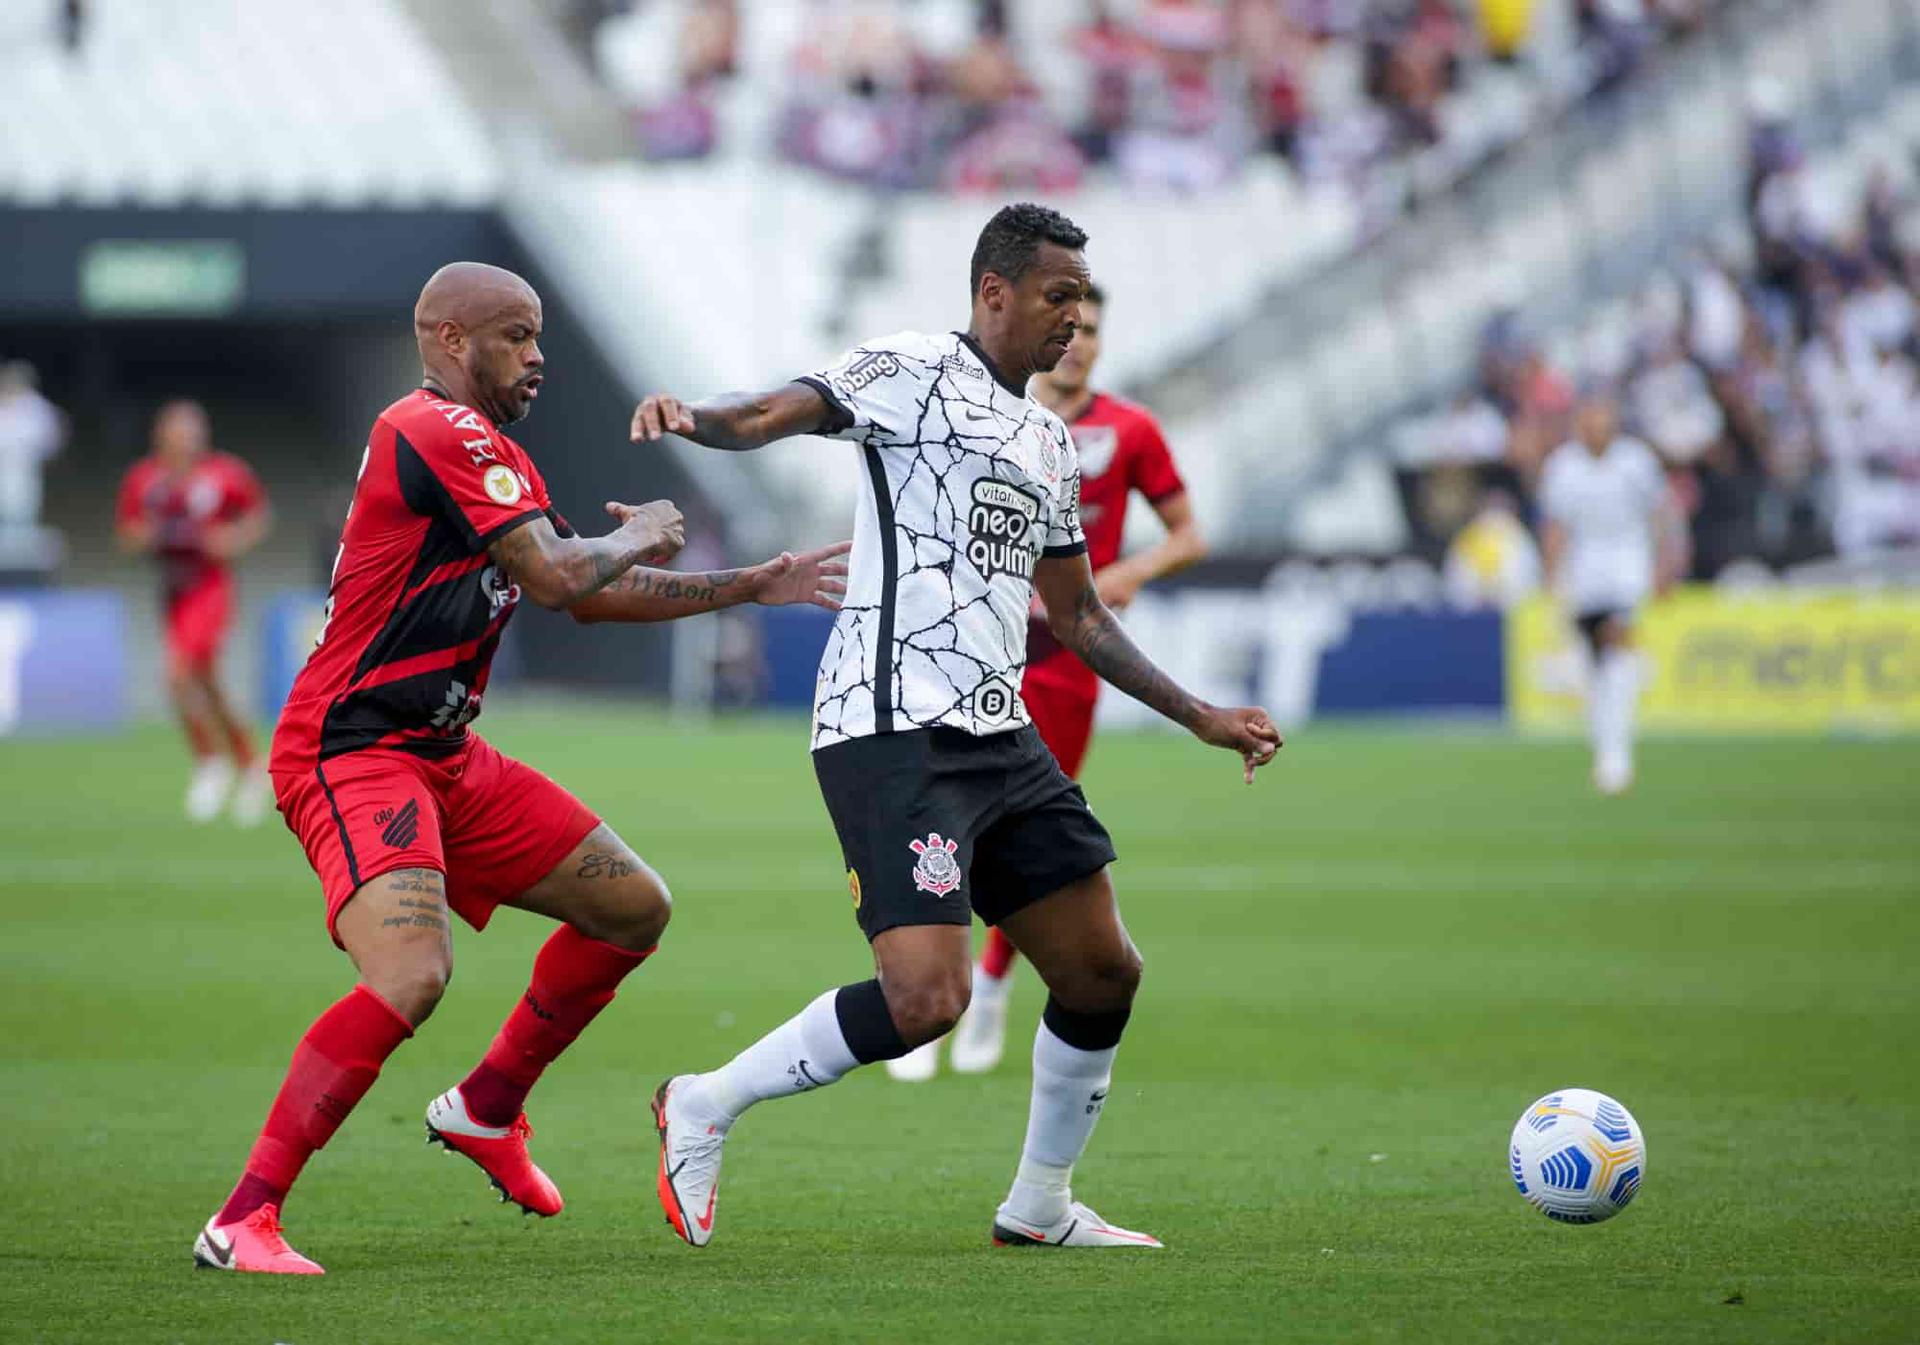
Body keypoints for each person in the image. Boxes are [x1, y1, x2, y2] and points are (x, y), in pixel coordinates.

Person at [630, 203, 1280, 1250]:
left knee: (1102, 968)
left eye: (1082, 301)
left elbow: (1079, 617)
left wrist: (1200, 715)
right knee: (925, 998)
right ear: (994, 292)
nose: (1073, 319)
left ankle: (1040, 1205)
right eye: (1056, 295)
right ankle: (702, 1101)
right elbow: (774, 412)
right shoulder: (911, 369)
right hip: (891, 725)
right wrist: (694, 418)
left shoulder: (1049, 443)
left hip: (998, 733)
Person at [192, 262, 848, 1276]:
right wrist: (639, 530)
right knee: (413, 970)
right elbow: (557, 575)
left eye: (539, 335)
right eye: (515, 336)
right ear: (451, 341)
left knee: (633, 906)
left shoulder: (492, 454)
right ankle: (243, 1219)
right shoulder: (436, 429)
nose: (538, 356)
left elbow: (583, 596)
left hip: (443, 754)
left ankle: (488, 1108)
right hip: (354, 749)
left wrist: (750, 584)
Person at [887, 280, 1207, 1082]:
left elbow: (1187, 534)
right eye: (1073, 322)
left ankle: (991, 986)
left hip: (1066, 655)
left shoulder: (1129, 430)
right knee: (946, 820)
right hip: (974, 645)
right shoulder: (995, 415)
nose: (1081, 338)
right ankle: (935, 1001)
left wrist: (1126, 573)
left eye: (1094, 327)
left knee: (1029, 827)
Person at [115, 400, 274, 824]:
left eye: (194, 431)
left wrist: (233, 538)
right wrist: (147, 535)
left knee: (177, 674)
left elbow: (257, 516)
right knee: (208, 682)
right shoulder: (145, 479)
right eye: (179, 431)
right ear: (161, 435)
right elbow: (127, 534)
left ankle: (209, 762)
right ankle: (250, 764)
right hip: (172, 591)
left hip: (210, 587)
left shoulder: (224, 473)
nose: (188, 439)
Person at [1538, 386, 1680, 795]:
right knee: (1593, 664)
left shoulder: (1636, 462)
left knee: (1617, 645)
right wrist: (1550, 575)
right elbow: (1555, 525)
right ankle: (1605, 743)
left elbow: (1661, 514)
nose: (1597, 429)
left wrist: (1664, 563)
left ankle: (1616, 755)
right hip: (1583, 569)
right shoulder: (1562, 467)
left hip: (1626, 563)